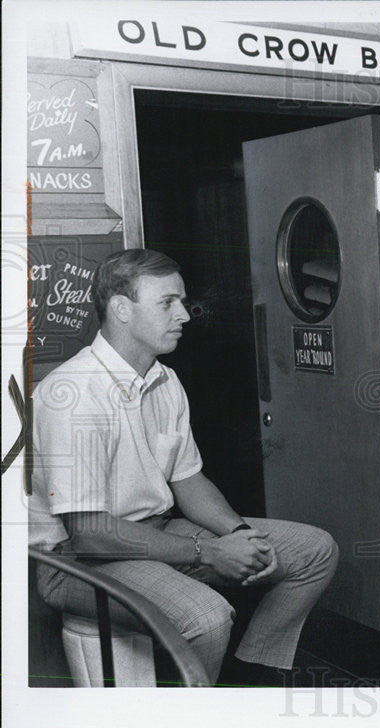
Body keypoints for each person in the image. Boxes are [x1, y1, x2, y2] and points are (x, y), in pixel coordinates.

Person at [30, 249, 338, 686]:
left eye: (182, 301)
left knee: (314, 552)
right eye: (167, 303)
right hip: (79, 561)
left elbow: (188, 480)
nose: (185, 315)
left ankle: (249, 677)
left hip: (156, 530)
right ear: (121, 309)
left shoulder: (165, 380)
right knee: (208, 617)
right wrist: (208, 552)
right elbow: (90, 530)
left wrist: (236, 535)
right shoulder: (73, 393)